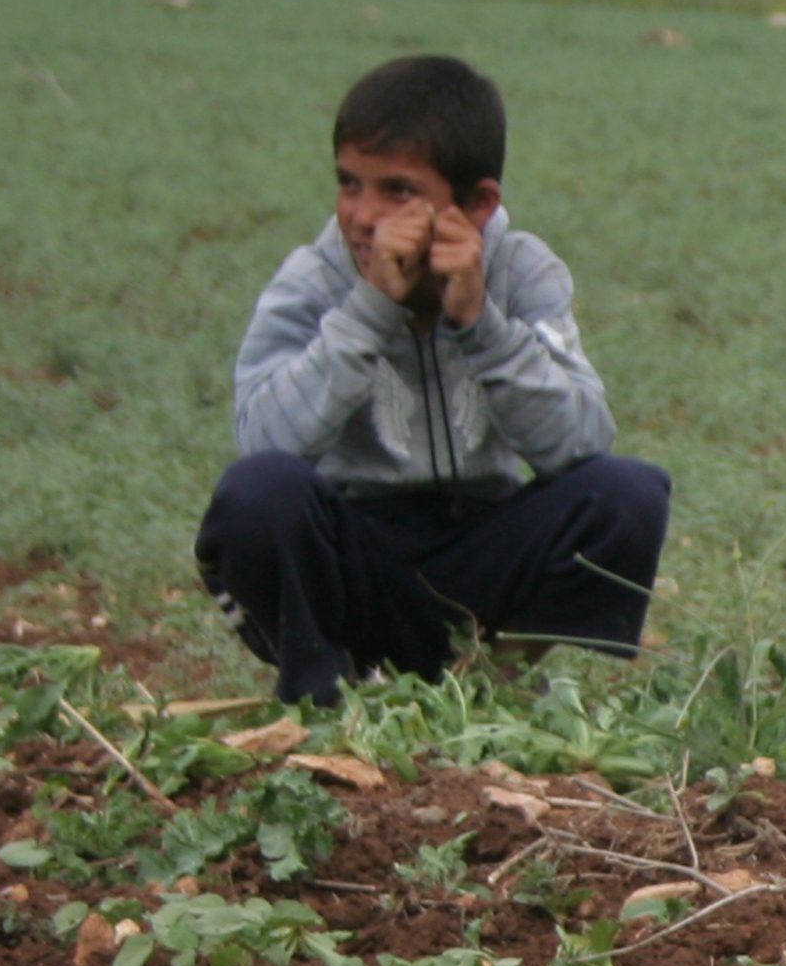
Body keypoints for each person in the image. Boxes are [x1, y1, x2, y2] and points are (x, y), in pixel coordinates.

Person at [198, 54, 669, 704]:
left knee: (628, 494)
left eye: (396, 190)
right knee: (257, 494)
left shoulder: (523, 272)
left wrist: (481, 324)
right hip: (355, 551)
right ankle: (322, 690)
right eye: (348, 183)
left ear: (476, 205)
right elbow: (265, 441)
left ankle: (494, 683)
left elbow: (581, 443)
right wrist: (369, 311)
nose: (362, 215)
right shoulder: (313, 280)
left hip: (480, 543)